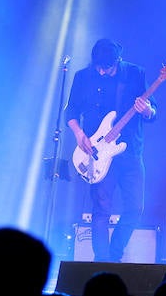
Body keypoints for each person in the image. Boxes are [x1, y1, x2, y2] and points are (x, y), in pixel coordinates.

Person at [64, 38, 157, 263]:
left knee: (135, 208)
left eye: (108, 67)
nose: (103, 72)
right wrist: (79, 136)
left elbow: (153, 113)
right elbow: (71, 112)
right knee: (101, 210)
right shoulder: (83, 77)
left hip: (130, 151)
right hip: (94, 151)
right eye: (99, 67)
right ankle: (101, 263)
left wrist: (146, 111)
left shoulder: (135, 74)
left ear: (118, 60)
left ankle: (114, 257)